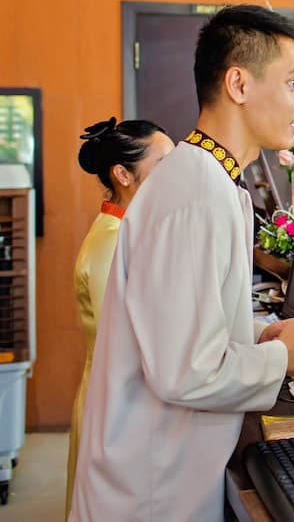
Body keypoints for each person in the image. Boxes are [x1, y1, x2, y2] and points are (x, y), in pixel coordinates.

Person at [69, 5, 294, 521]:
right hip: (150, 487)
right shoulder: (195, 193)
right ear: (239, 83)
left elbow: (180, 321)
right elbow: (186, 371)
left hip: (161, 469)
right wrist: (282, 359)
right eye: (293, 82)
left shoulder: (210, 180)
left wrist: (258, 335)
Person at [66, 117, 174, 516]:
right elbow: (128, 340)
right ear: (122, 174)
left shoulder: (127, 228)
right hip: (115, 407)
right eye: (162, 164)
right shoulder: (112, 240)